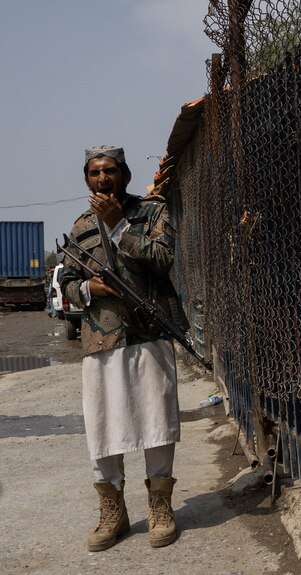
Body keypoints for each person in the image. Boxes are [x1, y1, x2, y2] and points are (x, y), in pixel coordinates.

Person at [61, 145, 188, 551]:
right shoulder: (80, 225)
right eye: (95, 173)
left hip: (149, 332)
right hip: (101, 337)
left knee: (157, 419)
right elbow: (64, 285)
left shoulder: (151, 212)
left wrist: (118, 227)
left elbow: (163, 257)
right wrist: (87, 288)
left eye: (110, 171)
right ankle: (112, 510)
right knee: (103, 426)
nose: (103, 179)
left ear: (125, 175)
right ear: (87, 179)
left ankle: (160, 506)